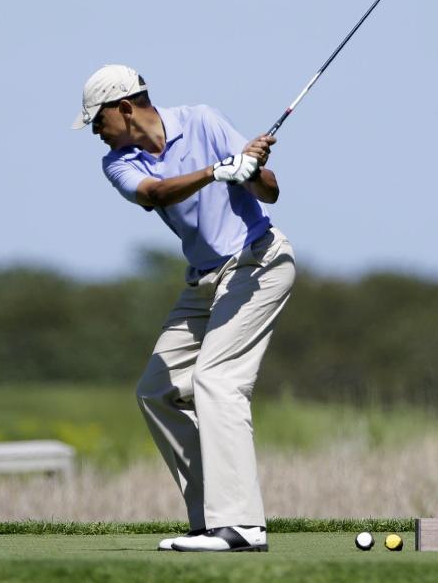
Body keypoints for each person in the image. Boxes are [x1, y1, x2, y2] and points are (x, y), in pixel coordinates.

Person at [71, 64, 296, 552]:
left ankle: (241, 526)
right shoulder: (118, 163)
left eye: (97, 121)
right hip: (203, 281)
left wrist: (250, 171)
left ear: (124, 108)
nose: (95, 132)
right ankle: (209, 519)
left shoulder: (203, 120)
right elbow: (154, 195)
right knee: (156, 391)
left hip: (258, 263)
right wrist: (216, 171)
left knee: (216, 381)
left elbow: (272, 191)